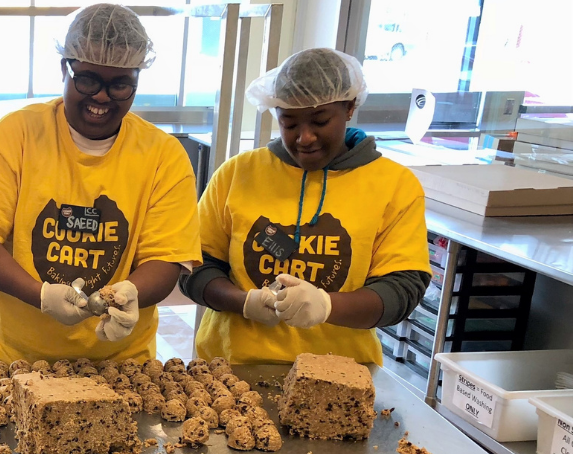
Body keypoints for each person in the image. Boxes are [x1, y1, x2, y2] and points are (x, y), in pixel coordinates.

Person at [0, 3, 201, 365]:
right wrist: (39, 294)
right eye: (88, 79)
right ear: (66, 67)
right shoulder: (16, 135)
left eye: (120, 84)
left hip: (119, 365)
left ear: (137, 80)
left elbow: (166, 259)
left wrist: (129, 294)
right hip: (11, 360)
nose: (101, 97)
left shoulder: (163, 156)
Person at [181, 47, 431, 364]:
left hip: (340, 373)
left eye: (320, 121)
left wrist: (327, 306)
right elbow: (194, 267)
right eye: (289, 123)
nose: (305, 138)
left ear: (350, 107)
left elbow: (401, 289)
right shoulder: (238, 174)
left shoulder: (393, 185)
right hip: (232, 367)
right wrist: (243, 302)